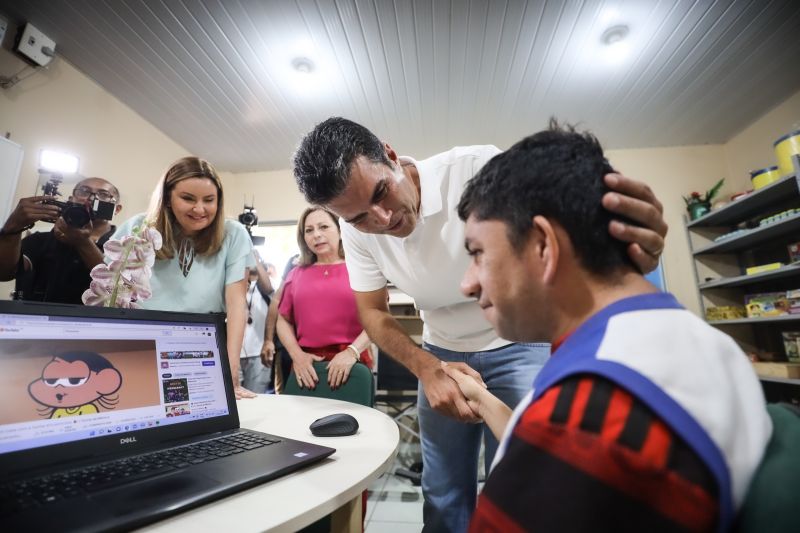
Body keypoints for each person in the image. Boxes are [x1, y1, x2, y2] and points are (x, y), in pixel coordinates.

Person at [292, 117, 669, 531]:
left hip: (520, 341)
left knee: (525, 477)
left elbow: (571, 214)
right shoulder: (358, 231)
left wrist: (620, 239)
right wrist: (427, 367)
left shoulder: (476, 169)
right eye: (360, 218)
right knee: (442, 489)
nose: (381, 220)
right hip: (440, 352)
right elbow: (373, 312)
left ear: (391, 156)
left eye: (382, 192)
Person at [443, 122, 771, 532]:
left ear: (543, 244)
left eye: (478, 253)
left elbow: (561, 437)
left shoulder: (581, 415)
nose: (467, 283)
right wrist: (482, 397)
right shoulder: (701, 342)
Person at [113, 156, 257, 399]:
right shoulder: (138, 227)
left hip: (204, 344)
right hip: (143, 341)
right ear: (168, 198)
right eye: (188, 198)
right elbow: (114, 295)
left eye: (209, 200)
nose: (199, 209)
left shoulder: (234, 233)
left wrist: (231, 369)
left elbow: (236, 304)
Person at [277, 206, 373, 391]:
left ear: (340, 230)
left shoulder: (361, 268)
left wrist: (351, 352)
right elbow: (282, 319)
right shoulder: (296, 274)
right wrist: (297, 355)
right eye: (309, 230)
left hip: (351, 364)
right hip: (307, 368)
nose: (316, 235)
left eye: (323, 227)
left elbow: (379, 319)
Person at [0, 177, 123, 304]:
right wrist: (12, 227)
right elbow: (4, 273)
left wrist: (83, 243)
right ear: (71, 199)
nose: (91, 198)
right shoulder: (39, 241)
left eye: (103, 194)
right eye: (84, 191)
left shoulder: (126, 248)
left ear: (117, 209)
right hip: (36, 321)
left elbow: (121, 291)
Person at [239, 260, 272, 393]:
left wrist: (255, 257)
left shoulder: (265, 290)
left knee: (255, 398)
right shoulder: (236, 286)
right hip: (234, 354)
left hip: (259, 354)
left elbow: (269, 287)